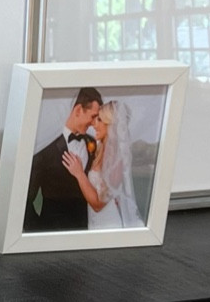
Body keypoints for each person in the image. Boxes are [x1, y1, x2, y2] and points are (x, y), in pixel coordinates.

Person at [25, 86, 103, 231]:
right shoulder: (46, 148)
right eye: (93, 116)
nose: (94, 123)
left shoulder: (92, 143)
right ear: (78, 110)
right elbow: (28, 197)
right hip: (51, 230)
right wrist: (36, 229)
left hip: (83, 230)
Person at [62, 96, 145, 229]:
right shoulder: (101, 151)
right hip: (94, 223)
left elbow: (98, 204)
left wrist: (79, 174)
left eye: (99, 119)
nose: (94, 123)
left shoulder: (117, 159)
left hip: (109, 225)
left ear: (111, 124)